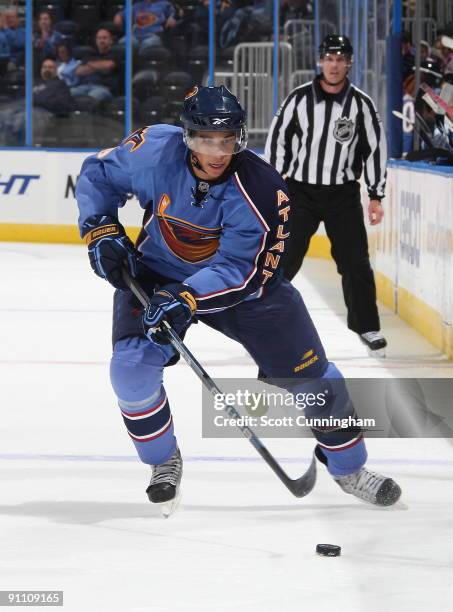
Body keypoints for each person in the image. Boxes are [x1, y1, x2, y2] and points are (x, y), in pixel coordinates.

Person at [75, 85, 401, 514]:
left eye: (227, 139)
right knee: (131, 370)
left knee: (315, 381)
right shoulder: (154, 148)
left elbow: (241, 271)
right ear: (186, 134)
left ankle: (348, 467)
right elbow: (98, 175)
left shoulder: (263, 191)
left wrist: (187, 296)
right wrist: (99, 226)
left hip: (245, 292)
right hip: (158, 272)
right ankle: (163, 460)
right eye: (205, 139)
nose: (217, 151)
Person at [265, 35, 388, 355]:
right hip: (300, 192)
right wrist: (274, 186)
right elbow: (278, 140)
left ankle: (367, 326)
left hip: (343, 195)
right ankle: (268, 320)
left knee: (355, 263)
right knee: (283, 259)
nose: (334, 65)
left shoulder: (361, 104)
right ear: (320, 61)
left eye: (340, 58)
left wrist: (376, 195)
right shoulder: (298, 99)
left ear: (349, 63)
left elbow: (375, 149)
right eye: (329, 58)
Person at [71, 28, 121, 103]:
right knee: (70, 93)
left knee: (92, 96)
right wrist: (99, 66)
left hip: (104, 88)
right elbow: (78, 71)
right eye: (99, 38)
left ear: (111, 40)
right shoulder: (90, 55)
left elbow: (108, 66)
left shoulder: (115, 54)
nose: (101, 41)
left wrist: (89, 64)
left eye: (104, 38)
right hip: (86, 86)